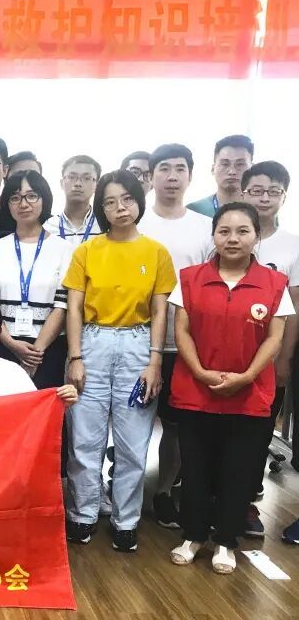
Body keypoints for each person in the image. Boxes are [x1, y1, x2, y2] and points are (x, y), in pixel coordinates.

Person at [167, 203, 292, 575]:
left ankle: (225, 541)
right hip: (196, 390)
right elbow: (181, 330)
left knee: (238, 470)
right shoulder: (190, 278)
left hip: (249, 393)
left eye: (242, 231)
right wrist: (201, 372)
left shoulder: (275, 283)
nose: (233, 239)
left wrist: (247, 376)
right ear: (214, 236)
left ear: (256, 236)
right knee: (195, 468)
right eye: (224, 231)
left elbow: (274, 339)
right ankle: (193, 535)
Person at [63, 169, 176, 553]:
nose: (120, 208)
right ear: (101, 208)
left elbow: (160, 311)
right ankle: (82, 514)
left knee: (133, 442)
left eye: (127, 199)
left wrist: (155, 362)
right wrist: (76, 357)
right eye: (110, 202)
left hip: (138, 345)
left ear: (139, 201)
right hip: (92, 342)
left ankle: (126, 521)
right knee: (84, 439)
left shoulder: (156, 252)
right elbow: (74, 308)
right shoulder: (87, 251)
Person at [137, 144, 213, 530]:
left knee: (176, 426)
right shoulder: (136, 220)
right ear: (151, 177)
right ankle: (125, 490)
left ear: (190, 175)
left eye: (179, 168)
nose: (171, 176)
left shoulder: (204, 227)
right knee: (133, 422)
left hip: (184, 344)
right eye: (163, 168)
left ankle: (164, 490)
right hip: (136, 341)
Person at [240, 161, 299, 538]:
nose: (264, 198)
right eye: (257, 190)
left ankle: (245, 502)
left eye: (273, 191)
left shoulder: (293, 245)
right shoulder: (227, 233)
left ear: (284, 197)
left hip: (269, 358)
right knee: (219, 431)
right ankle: (212, 498)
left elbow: (294, 308)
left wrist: (284, 360)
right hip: (223, 355)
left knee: (257, 434)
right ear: (243, 192)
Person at [0, 170, 73, 389]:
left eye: (31, 196)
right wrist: (11, 344)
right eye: (15, 197)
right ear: (7, 204)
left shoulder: (64, 249)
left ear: (44, 199)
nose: (23, 204)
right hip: (2, 345)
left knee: (43, 407)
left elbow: (62, 306)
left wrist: (35, 354)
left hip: (48, 350)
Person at [187, 134, 254, 217]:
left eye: (240, 164)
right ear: (213, 169)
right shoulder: (194, 211)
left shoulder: (260, 210)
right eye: (225, 164)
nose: (232, 172)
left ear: (252, 169)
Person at [43, 155, 102, 247]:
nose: (78, 183)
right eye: (71, 177)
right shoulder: (47, 227)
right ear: (62, 183)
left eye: (87, 178)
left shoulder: (103, 226)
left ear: (96, 186)